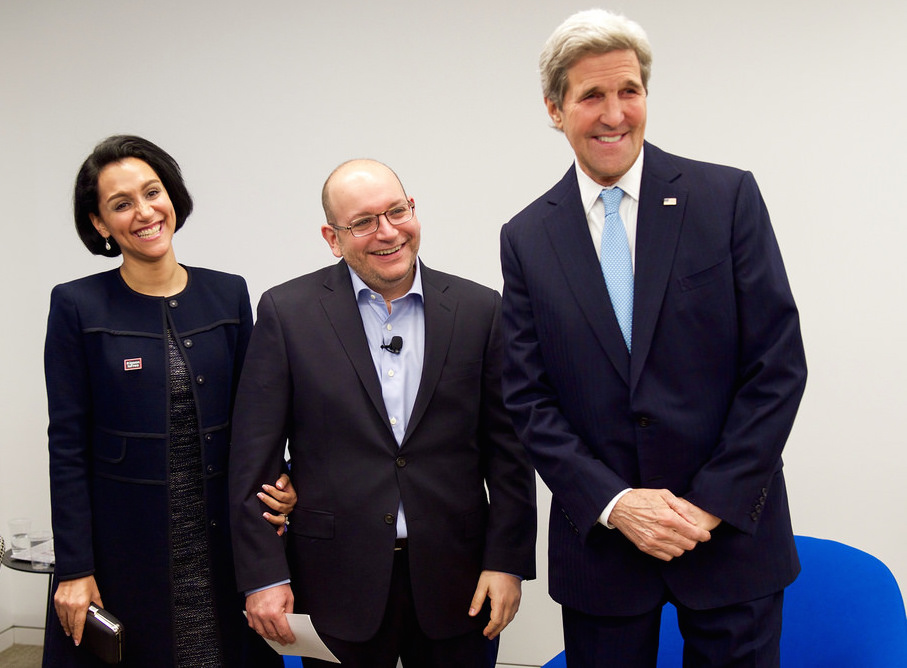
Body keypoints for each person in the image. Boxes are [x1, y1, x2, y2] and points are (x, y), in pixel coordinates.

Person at [499, 9, 807, 667]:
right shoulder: (526, 237)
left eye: (628, 91)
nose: (614, 114)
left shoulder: (724, 198)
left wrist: (709, 505)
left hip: (729, 537)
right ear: (555, 110)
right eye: (591, 96)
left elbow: (776, 364)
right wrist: (614, 503)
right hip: (604, 548)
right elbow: (527, 397)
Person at [228, 159, 537, 668]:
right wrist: (264, 574)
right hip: (333, 579)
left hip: (459, 581)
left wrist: (506, 563)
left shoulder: (480, 311)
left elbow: (509, 457)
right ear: (333, 237)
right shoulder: (288, 313)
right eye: (364, 222)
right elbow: (253, 460)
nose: (388, 232)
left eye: (397, 211)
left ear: (413, 209)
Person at [44, 135, 295, 667]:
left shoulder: (228, 293)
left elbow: (259, 425)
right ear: (99, 224)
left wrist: (286, 479)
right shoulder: (76, 305)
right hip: (126, 550)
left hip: (222, 547)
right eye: (121, 204)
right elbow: (66, 446)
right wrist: (74, 567)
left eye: (151, 192)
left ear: (172, 196)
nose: (144, 212)